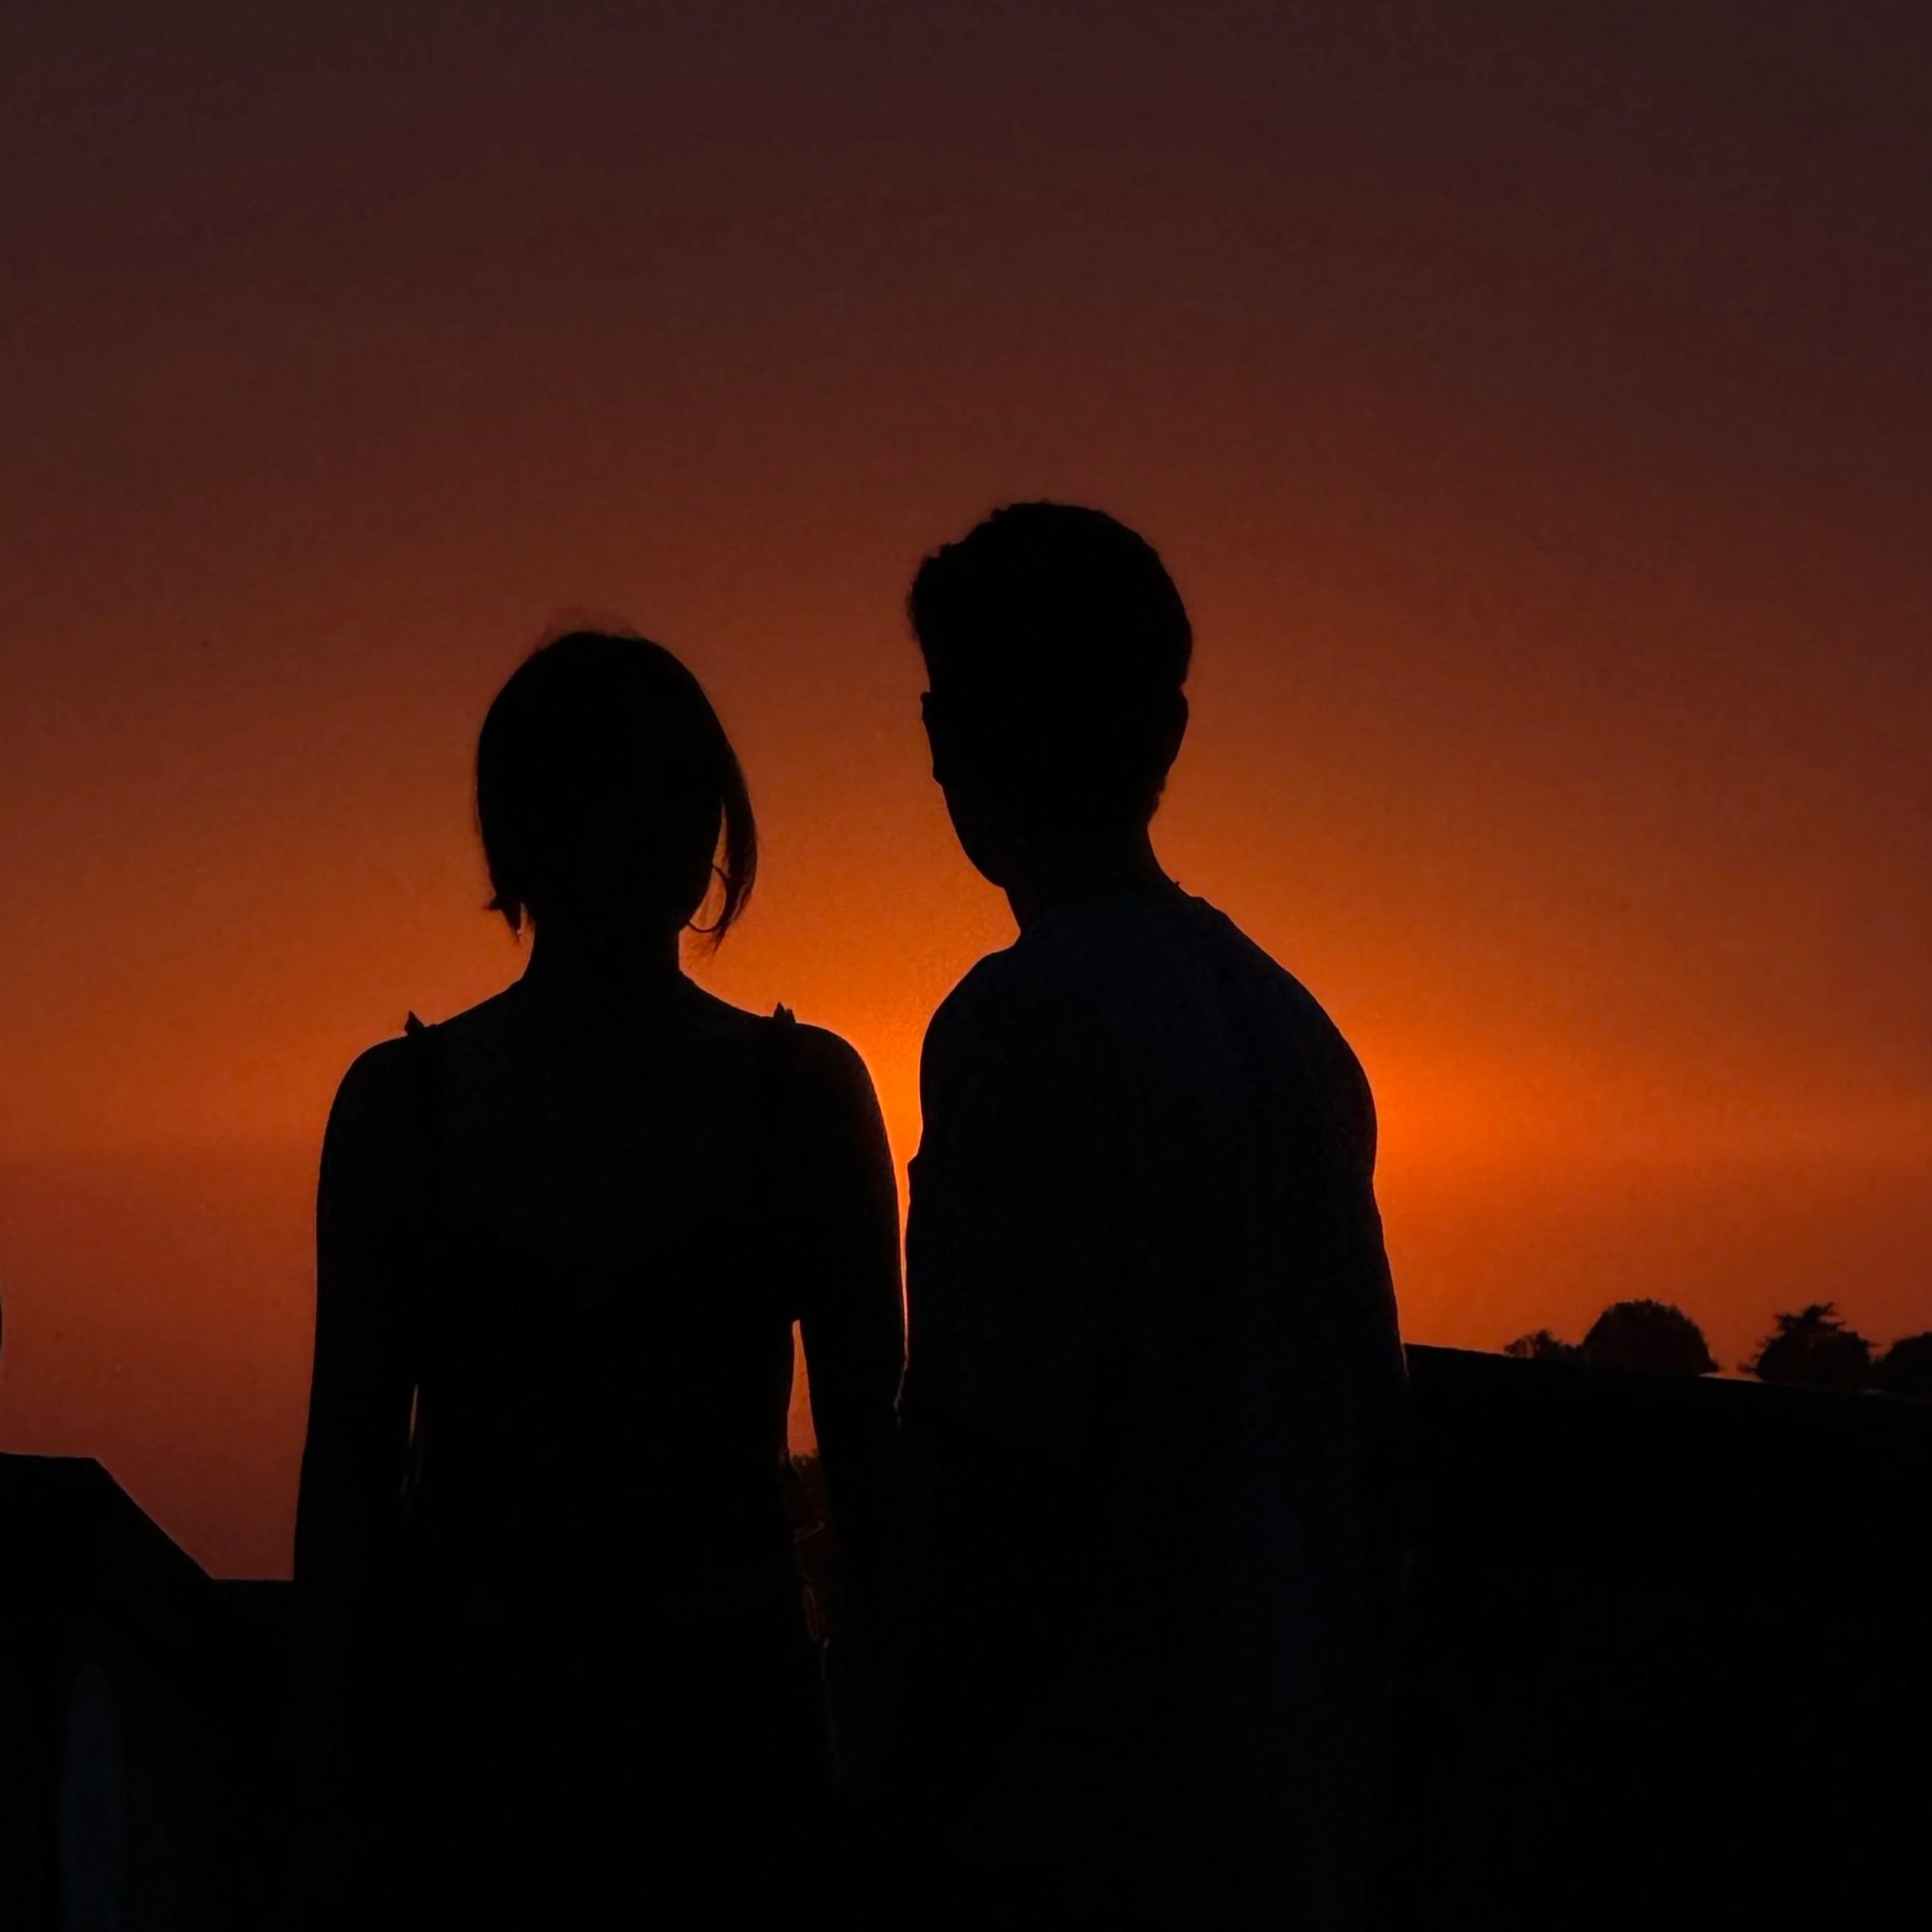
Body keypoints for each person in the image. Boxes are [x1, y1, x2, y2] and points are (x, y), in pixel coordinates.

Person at [292, 631, 903, 1928]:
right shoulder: (404, 1112)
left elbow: (875, 1486)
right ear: (530, 826)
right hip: (505, 1769)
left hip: (698, 1762)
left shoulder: (801, 1101)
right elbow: (342, 1494)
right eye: (612, 788)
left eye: (679, 788)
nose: (656, 828)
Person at [895, 505, 1409, 1925]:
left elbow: (991, 1469)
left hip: (1086, 1824)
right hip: (1287, 1806)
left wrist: (911, 1777)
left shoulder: (1019, 1026)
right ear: (1166, 733)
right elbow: (1368, 1448)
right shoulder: (1294, 1031)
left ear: (953, 733)